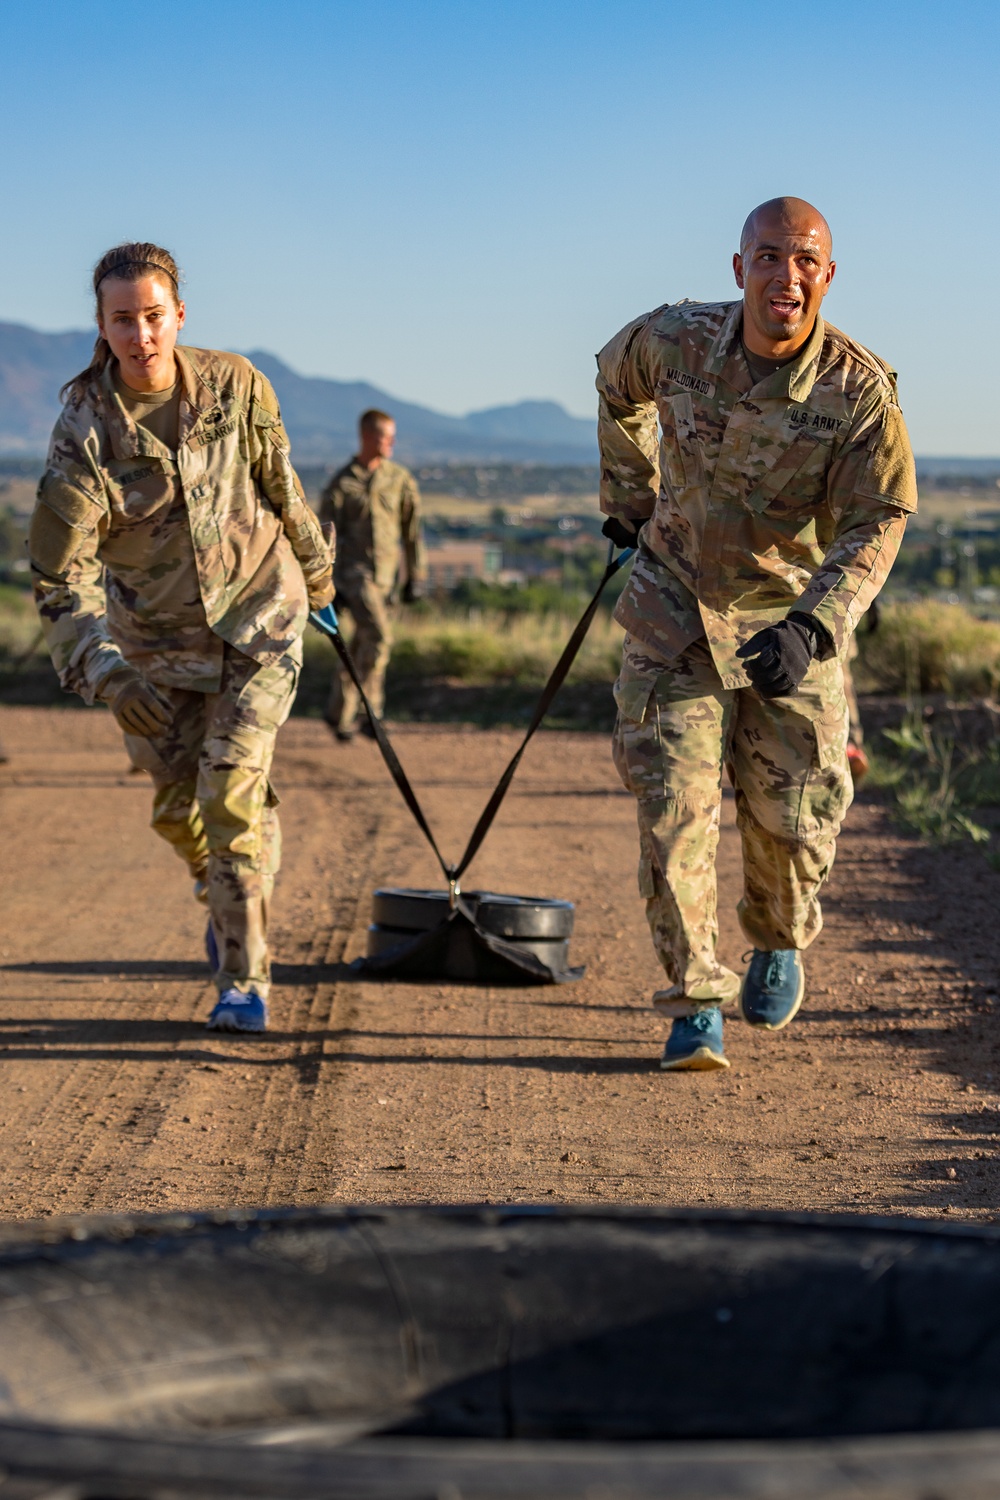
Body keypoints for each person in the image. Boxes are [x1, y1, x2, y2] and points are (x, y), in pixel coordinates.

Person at [598, 197, 916, 1071]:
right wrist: (628, 501)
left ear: (828, 274)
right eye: (770, 257)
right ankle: (696, 997)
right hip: (673, 614)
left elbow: (876, 521)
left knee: (796, 821)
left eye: (806, 260)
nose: (788, 276)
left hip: (786, 625)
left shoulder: (858, 392)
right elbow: (612, 382)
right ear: (740, 268)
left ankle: (777, 938)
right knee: (672, 812)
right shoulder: (672, 340)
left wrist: (816, 626)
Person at [28, 242, 333, 1034]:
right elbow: (62, 580)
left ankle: (244, 982)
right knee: (177, 808)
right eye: (123, 320)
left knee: (230, 790)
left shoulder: (235, 384)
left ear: (179, 316)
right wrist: (107, 674)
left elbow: (281, 484)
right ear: (101, 326)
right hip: (156, 648)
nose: (141, 335)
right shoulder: (84, 433)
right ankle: (228, 887)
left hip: (262, 618)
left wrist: (321, 580)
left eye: (154, 316)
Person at [318, 409, 426, 741]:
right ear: (367, 437)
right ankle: (371, 713)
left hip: (386, 579)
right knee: (379, 638)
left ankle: (338, 712)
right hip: (355, 576)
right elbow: (323, 539)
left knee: (366, 645)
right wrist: (327, 587)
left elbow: (412, 532)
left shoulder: (400, 479)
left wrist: (415, 576)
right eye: (386, 436)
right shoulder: (343, 483)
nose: (392, 443)